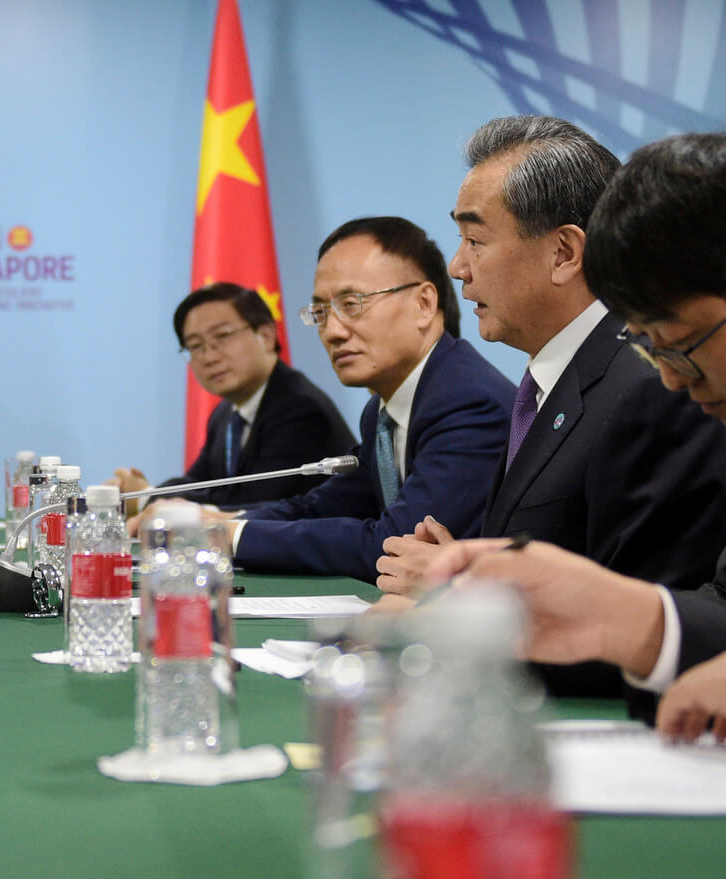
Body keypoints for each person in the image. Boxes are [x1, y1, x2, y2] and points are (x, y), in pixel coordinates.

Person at [373, 116, 726, 695]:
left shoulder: (646, 389)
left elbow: (646, 594)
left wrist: (460, 604)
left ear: (564, 251)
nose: (458, 266)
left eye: (476, 240)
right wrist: (473, 573)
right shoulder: (549, 384)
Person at [165, 217, 514, 582]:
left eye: (351, 304)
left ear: (424, 304)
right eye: (320, 313)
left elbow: (394, 544)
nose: (332, 331)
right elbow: (321, 506)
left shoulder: (468, 402)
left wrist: (230, 535)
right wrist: (227, 522)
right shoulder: (382, 412)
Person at [113, 283, 354, 511]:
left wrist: (147, 497)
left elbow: (252, 503)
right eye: (196, 346)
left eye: (223, 336)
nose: (209, 357)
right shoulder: (226, 413)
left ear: (266, 336)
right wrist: (141, 492)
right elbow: (198, 483)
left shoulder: (298, 409)